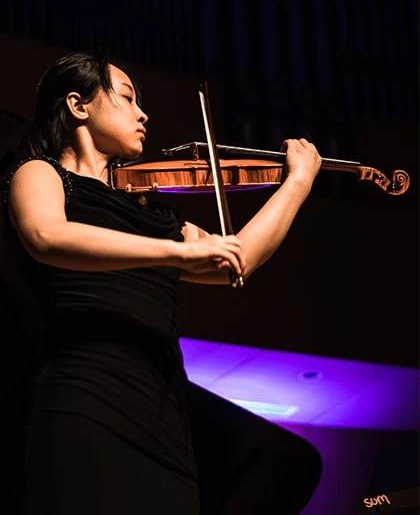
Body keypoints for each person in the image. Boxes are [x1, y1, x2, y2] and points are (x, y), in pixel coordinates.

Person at [3, 50, 323, 515]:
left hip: (165, 421)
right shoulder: (42, 173)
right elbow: (46, 235)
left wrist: (296, 184)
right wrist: (177, 251)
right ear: (78, 105)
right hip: (86, 400)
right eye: (128, 98)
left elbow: (237, 261)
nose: (143, 113)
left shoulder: (151, 214)